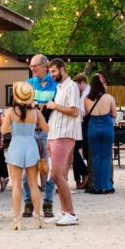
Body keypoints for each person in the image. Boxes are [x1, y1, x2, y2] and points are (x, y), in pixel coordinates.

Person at [2, 81, 49, 229]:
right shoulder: (36, 112)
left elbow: (2, 130)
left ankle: (18, 220)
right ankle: (37, 217)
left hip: (16, 146)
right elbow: (47, 129)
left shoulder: (11, 112)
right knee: (33, 184)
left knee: (16, 185)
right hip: (31, 146)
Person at [44, 58, 81, 225]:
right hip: (54, 135)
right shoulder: (59, 87)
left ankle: (71, 213)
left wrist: (54, 106)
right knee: (60, 175)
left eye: (54, 71)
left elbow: (74, 112)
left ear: (62, 69)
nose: (52, 75)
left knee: (56, 175)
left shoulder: (71, 86)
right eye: (50, 72)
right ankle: (64, 212)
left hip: (64, 135)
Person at [21, 54, 57, 218]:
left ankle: (48, 203)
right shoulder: (29, 84)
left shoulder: (55, 84)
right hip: (29, 131)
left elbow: (57, 106)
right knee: (26, 168)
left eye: (34, 66)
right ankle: (28, 202)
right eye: (31, 66)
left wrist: (41, 106)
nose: (32, 69)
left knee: (49, 169)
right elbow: (22, 105)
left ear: (44, 65)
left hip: (48, 131)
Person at [83, 74, 117, 193]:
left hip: (93, 127)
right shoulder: (109, 97)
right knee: (106, 157)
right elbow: (114, 114)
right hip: (107, 127)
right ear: (102, 85)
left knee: (96, 158)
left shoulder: (86, 99)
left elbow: (87, 113)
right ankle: (106, 186)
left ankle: (96, 186)